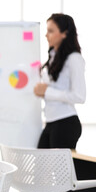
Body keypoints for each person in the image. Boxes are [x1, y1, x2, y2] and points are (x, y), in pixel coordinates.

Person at [34, 13, 86, 149]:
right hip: (51, 122)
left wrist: (47, 91)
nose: (46, 35)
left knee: (59, 170)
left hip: (65, 122)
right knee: (39, 167)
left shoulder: (74, 59)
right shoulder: (53, 57)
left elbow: (79, 96)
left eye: (51, 31)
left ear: (64, 33)